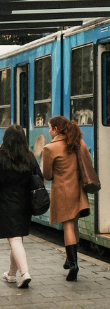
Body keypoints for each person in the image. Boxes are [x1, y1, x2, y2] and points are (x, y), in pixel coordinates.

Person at [42, 116, 91, 282]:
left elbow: (47, 175)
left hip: (63, 192)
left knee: (68, 226)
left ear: (56, 129)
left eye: (50, 128)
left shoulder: (50, 148)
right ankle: (70, 259)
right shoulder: (79, 143)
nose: (49, 131)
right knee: (74, 224)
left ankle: (73, 265)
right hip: (78, 191)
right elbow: (88, 163)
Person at [0, 125, 41, 289]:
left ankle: (25, 273)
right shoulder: (29, 157)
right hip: (25, 203)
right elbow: (39, 176)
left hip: (6, 203)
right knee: (17, 237)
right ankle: (11, 274)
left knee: (14, 238)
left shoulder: (1, 156)